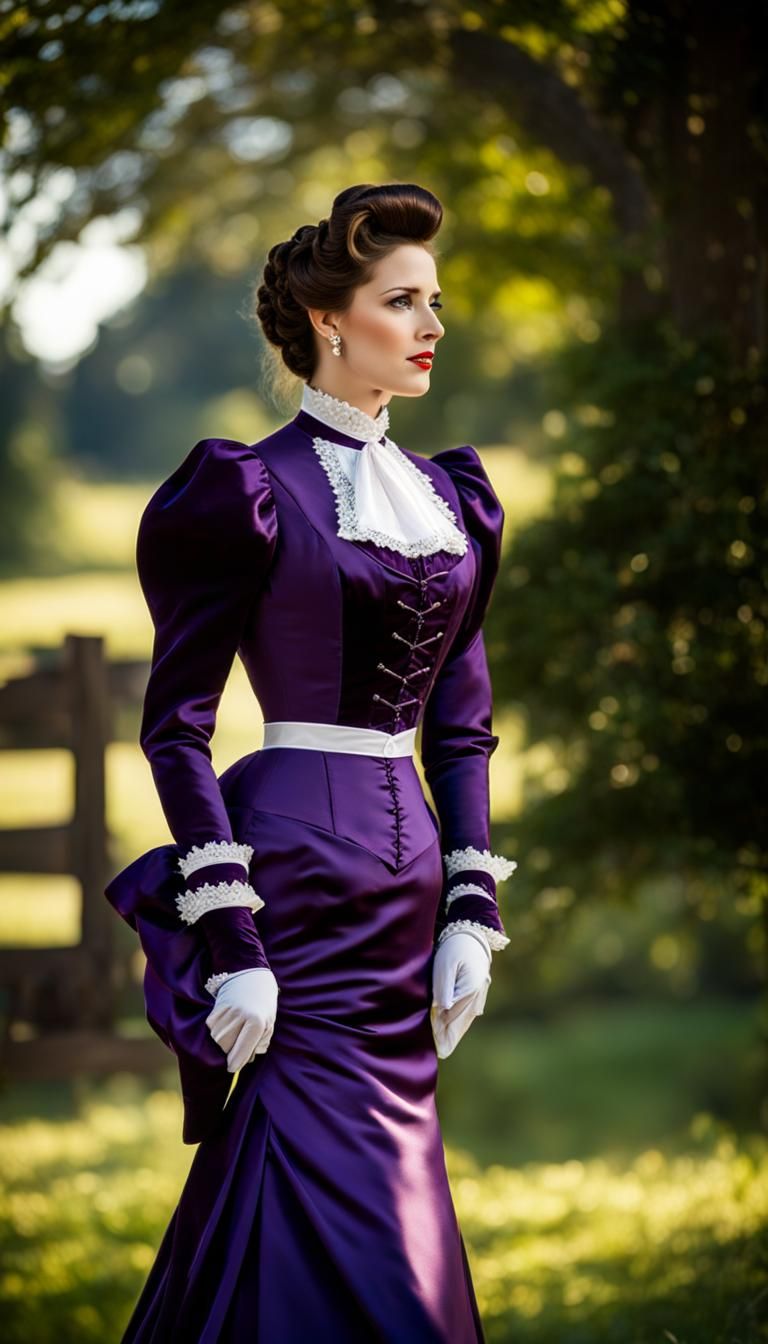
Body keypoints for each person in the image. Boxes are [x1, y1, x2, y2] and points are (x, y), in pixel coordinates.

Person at [105, 181, 517, 1343]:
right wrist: (231, 939)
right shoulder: (243, 492)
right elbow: (176, 727)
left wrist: (472, 907)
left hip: (407, 909)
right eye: (404, 301)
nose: (435, 325)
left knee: (403, 1201)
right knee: (308, 1182)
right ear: (331, 321)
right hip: (295, 896)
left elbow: (461, 727)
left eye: (435, 301)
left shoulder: (451, 502)